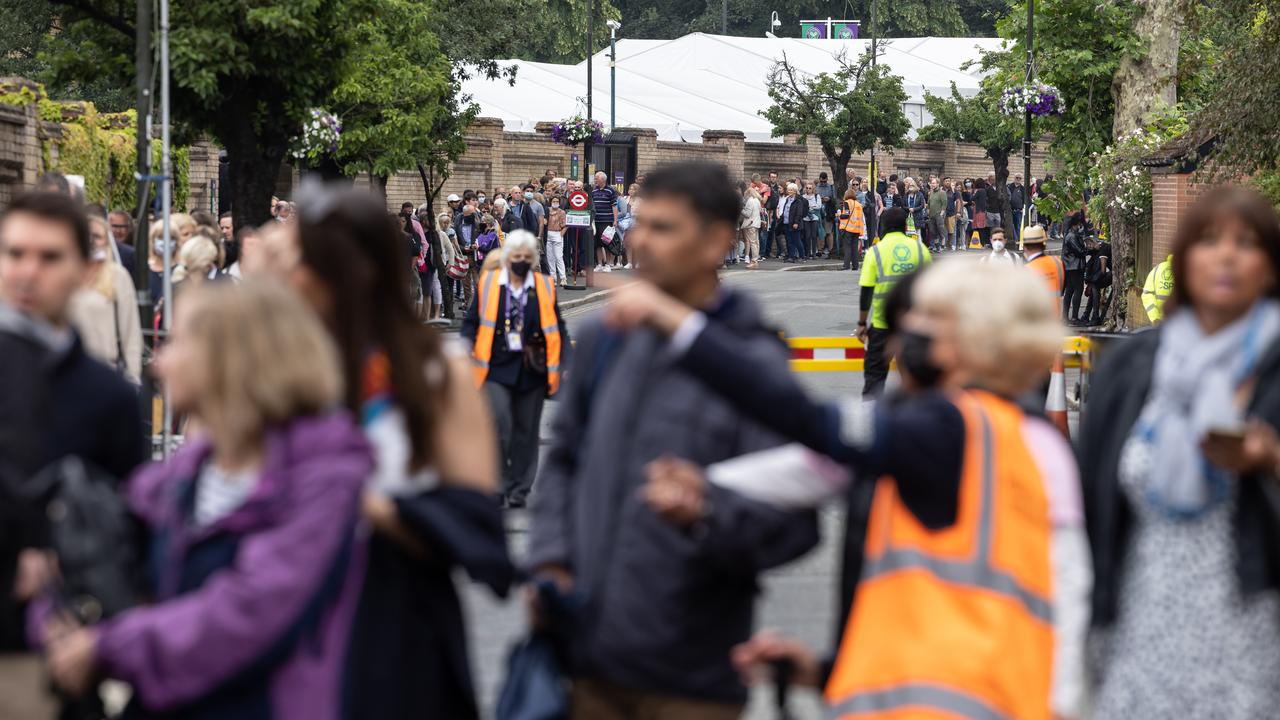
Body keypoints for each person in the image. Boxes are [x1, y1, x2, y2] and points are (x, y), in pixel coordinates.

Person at [604, 259, 1069, 720]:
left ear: (978, 339)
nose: (908, 332)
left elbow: (805, 420)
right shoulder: (1012, 436)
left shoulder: (950, 430)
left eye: (931, 318)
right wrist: (826, 670)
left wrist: (676, 322)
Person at [527, 162, 818, 719]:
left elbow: (796, 520)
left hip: (692, 674)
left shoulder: (753, 360)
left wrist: (708, 510)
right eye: (640, 224)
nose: (640, 241)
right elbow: (564, 458)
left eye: (663, 228)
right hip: (586, 657)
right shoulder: (604, 340)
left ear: (717, 241)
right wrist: (549, 561)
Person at [38, 281, 369, 719]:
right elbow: (102, 551)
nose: (159, 364)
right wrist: (57, 614)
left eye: (176, 343)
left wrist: (109, 646)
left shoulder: (324, 475)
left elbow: (250, 610)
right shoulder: (187, 470)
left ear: (227, 358)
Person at [263, 188, 512, 718]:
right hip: (278, 611)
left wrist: (367, 504)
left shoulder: (432, 373)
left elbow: (478, 527)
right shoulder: (271, 369)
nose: (281, 278)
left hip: (391, 617)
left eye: (298, 263)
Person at [1078, 186, 1280, 719]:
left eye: (1248, 243)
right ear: (1184, 258)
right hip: (1141, 621)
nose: (1228, 255)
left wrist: (1269, 459)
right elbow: (1091, 497)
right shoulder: (1135, 365)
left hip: (1253, 629)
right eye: (1209, 241)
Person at [0, 191, 146, 718]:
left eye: (49, 256)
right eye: (14, 254)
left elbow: (130, 527)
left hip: (53, 661)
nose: (27, 272)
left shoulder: (107, 397)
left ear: (85, 268)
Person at [462, 230, 567, 508]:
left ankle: (520, 489)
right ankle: (499, 483)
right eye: (516, 256)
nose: (521, 261)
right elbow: (472, 321)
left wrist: (566, 360)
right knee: (500, 425)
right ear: (507, 258)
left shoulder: (544, 285)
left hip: (532, 368)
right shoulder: (489, 283)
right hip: (495, 366)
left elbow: (557, 327)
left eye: (526, 257)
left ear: (532, 259)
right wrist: (464, 344)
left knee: (526, 432)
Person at [858, 207, 932, 397]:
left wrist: (861, 323)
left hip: (882, 325)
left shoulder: (875, 252)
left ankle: (871, 420)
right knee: (918, 380)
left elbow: (866, 291)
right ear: (904, 227)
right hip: (914, 326)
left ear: (883, 226)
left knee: (875, 377)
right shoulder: (920, 249)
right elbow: (933, 289)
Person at [69, 215, 143, 384]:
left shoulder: (117, 276)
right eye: (85, 235)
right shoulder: (66, 275)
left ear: (107, 242)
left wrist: (133, 376)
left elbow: (130, 331)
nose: (91, 241)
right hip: (69, 372)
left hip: (106, 370)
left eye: (97, 236)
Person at [1023, 224, 1065, 300]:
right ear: (1044, 245)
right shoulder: (1057, 262)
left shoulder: (1026, 270)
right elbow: (1061, 288)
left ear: (1025, 248)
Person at [1062, 214, 1088, 324]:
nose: (1080, 226)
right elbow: (1080, 251)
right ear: (1075, 224)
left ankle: (1066, 317)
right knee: (1077, 290)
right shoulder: (1072, 236)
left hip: (1070, 266)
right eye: (1079, 224)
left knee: (1070, 291)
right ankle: (1074, 317)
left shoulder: (1070, 235)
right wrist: (1090, 249)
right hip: (1075, 267)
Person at [1083, 234, 1113, 326]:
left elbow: (1103, 271)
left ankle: (1094, 317)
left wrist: (1093, 281)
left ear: (1093, 242)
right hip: (1109, 273)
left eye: (1089, 245)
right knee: (1094, 287)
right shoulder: (1097, 250)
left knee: (1095, 286)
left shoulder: (1103, 249)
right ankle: (1087, 316)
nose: (1089, 247)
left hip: (1114, 273)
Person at [591, 172, 618, 273]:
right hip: (596, 221)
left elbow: (614, 206)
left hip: (606, 220)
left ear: (603, 179)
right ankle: (599, 264)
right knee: (597, 243)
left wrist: (615, 220)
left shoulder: (610, 190)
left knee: (607, 242)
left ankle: (607, 264)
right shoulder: (594, 191)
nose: (595, 180)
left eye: (597, 178)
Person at [837, 187, 867, 271]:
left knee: (847, 248)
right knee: (854, 248)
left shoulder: (847, 203)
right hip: (857, 229)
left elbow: (846, 215)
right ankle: (855, 266)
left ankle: (846, 265)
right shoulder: (858, 204)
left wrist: (839, 215)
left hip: (848, 229)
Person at [1142, 253, 1175, 323]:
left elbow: (1147, 294)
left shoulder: (1157, 269)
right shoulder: (1187, 271)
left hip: (1160, 322)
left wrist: (1155, 318)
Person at [781, 182, 808, 263]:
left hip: (794, 224)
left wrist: (796, 222)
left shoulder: (798, 201)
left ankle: (802, 256)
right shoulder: (787, 199)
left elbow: (799, 213)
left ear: (795, 191)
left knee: (797, 240)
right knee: (789, 240)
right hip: (787, 222)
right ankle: (791, 256)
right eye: (788, 190)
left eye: (791, 190)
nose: (789, 191)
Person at [546, 195, 569, 286]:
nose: (555, 203)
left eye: (557, 201)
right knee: (550, 258)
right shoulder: (547, 211)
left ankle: (563, 278)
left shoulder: (562, 212)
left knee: (558, 257)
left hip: (557, 233)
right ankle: (553, 278)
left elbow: (565, 225)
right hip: (548, 234)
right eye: (553, 201)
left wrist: (561, 234)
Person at [740, 186, 763, 268]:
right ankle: (755, 260)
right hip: (756, 223)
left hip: (751, 224)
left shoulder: (750, 201)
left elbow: (747, 214)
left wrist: (741, 209)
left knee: (753, 243)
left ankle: (754, 261)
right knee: (756, 242)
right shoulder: (757, 200)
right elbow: (760, 211)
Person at [816, 171, 836, 255]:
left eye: (825, 181)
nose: (823, 183)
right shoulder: (816, 187)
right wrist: (819, 199)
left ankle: (830, 250)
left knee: (829, 231)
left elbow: (835, 199)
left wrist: (829, 199)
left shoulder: (831, 187)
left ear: (827, 179)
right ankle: (819, 250)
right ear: (819, 179)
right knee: (819, 231)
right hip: (818, 211)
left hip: (828, 211)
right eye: (821, 181)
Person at [802, 181, 823, 259]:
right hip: (806, 218)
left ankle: (814, 253)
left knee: (814, 236)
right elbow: (803, 206)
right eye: (807, 188)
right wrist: (811, 206)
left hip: (814, 217)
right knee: (807, 236)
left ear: (813, 189)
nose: (808, 189)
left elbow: (818, 206)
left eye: (810, 188)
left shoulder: (816, 196)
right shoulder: (803, 196)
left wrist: (809, 206)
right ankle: (807, 253)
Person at [927, 177, 949, 253]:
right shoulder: (930, 193)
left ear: (937, 184)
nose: (932, 184)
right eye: (931, 183)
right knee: (933, 231)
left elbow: (944, 204)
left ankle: (942, 246)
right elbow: (929, 204)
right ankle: (937, 247)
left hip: (939, 215)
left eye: (933, 183)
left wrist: (942, 213)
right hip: (932, 215)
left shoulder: (942, 192)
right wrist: (928, 211)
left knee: (941, 230)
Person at [1008, 173, 1027, 241]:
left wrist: (1023, 208)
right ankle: (1012, 239)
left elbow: (1025, 199)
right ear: (1014, 178)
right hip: (1010, 210)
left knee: (1018, 225)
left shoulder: (1022, 188)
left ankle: (1018, 240)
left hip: (1019, 210)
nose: (1018, 179)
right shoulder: (1010, 187)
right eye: (1017, 177)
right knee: (1010, 225)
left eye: (1020, 178)